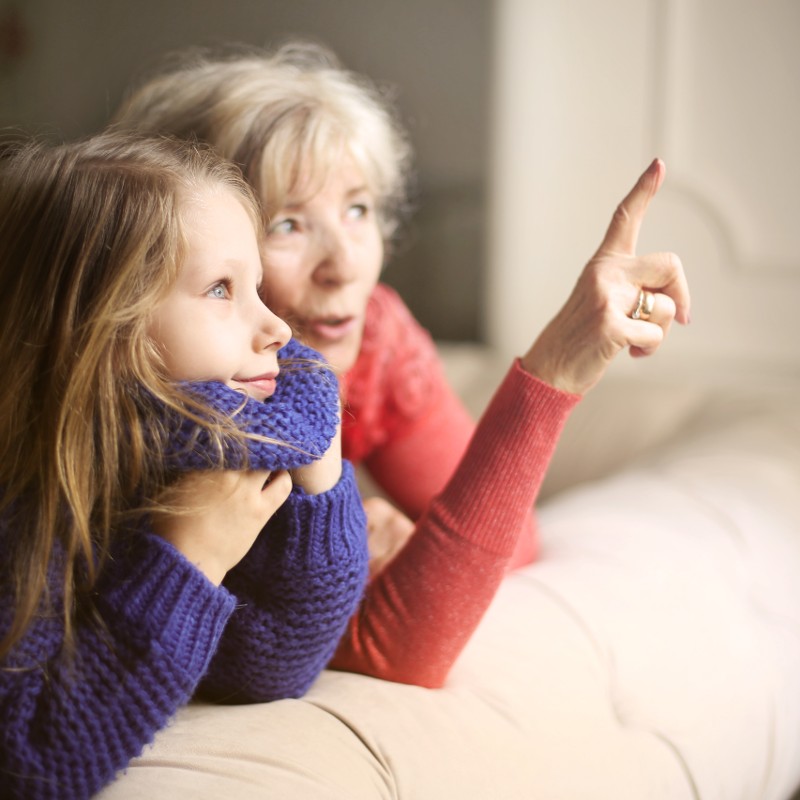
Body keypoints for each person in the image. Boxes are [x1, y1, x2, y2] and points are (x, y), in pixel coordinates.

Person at [111, 41, 690, 688]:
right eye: (287, 224)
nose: (346, 265)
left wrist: (385, 529)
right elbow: (390, 650)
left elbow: (515, 540)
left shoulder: (376, 336)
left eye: (357, 210)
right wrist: (555, 368)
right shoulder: (189, 398)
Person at [0, 132, 370, 800]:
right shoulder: (26, 499)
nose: (276, 328)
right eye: (221, 289)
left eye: (256, 285)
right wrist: (187, 561)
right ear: (96, 329)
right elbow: (35, 765)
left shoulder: (200, 450)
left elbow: (266, 668)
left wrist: (322, 482)